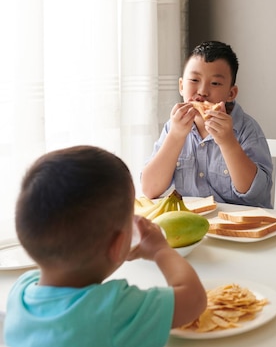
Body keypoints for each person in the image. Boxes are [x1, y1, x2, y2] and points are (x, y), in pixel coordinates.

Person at [4, 145, 207, 346]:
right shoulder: (114, 309)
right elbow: (194, 299)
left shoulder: (19, 292)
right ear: (118, 246)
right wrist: (160, 250)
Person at [141, 40, 273, 208]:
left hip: (240, 225)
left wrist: (228, 142)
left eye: (215, 83)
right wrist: (175, 137)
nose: (202, 91)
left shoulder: (246, 129)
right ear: (181, 86)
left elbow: (255, 194)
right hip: (193, 224)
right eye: (194, 80)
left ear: (231, 93)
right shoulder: (172, 127)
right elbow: (150, 189)